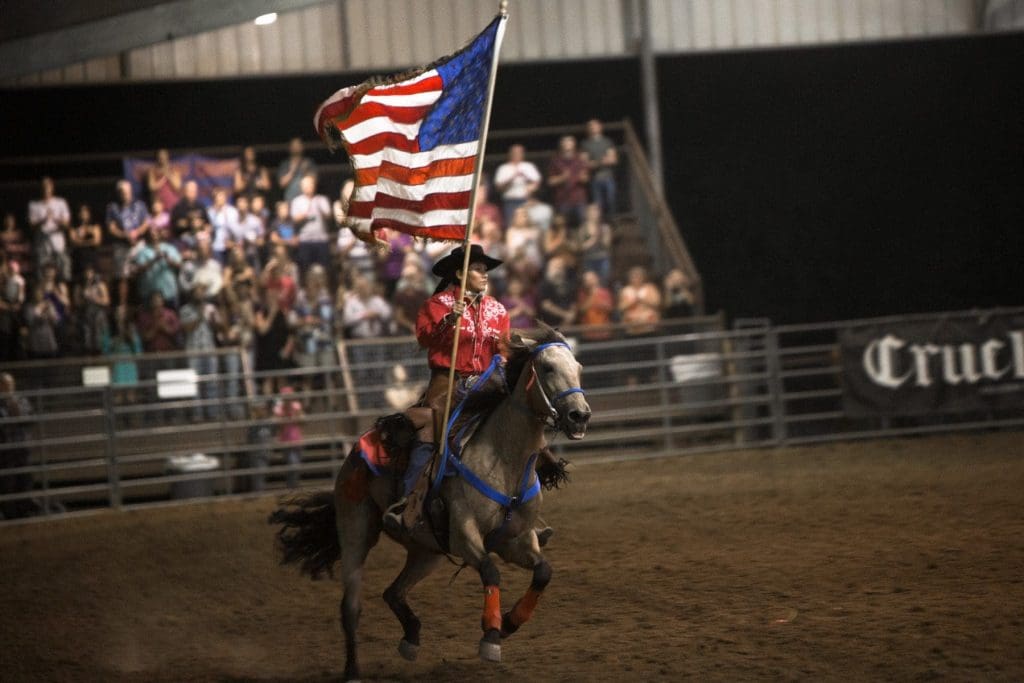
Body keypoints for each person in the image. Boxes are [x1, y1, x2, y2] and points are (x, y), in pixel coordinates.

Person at [382, 244, 508, 534]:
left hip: (487, 383)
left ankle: (524, 507)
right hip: (446, 384)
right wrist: (451, 320)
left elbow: (502, 348)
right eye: (478, 269)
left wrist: (506, 359)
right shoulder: (436, 305)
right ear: (460, 273)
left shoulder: (497, 309)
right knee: (431, 432)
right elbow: (425, 339)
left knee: (519, 421)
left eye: (485, 269)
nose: (484, 274)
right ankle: (409, 501)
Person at [178, 283, 222, 421]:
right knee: (194, 384)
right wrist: (200, 315)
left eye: (202, 291)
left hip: (209, 349)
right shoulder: (185, 310)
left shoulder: (211, 308)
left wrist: (215, 321)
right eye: (197, 291)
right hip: (193, 351)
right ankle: (197, 414)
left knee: (211, 382)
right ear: (192, 294)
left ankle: (212, 413)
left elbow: (219, 328)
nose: (200, 294)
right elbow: (187, 328)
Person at [1, 373, 40, 519]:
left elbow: (30, 419)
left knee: (25, 479)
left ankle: (24, 511)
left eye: (10, 385)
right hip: (5, 451)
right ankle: (10, 514)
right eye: (5, 385)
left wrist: (16, 411)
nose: (8, 388)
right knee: (7, 483)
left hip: (22, 447)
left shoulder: (21, 400)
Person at [27, 176, 72, 281]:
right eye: (43, 186)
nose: (46, 188)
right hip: (42, 246)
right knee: (43, 276)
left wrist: (55, 218)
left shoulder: (61, 202)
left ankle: (60, 296)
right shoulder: (34, 205)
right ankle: (46, 297)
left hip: (58, 245)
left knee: (62, 276)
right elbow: (32, 225)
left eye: (48, 185)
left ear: (52, 187)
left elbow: (67, 224)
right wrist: (44, 219)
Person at [290, 173, 332, 277]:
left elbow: (329, 216)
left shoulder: (322, 199)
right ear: (302, 187)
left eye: (311, 184)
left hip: (321, 239)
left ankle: (324, 290)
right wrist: (306, 213)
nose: (309, 187)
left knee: (324, 269)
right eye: (306, 185)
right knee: (305, 269)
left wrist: (318, 208)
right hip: (305, 240)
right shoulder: (297, 201)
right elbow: (294, 219)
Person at [493, 143, 542, 226]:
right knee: (511, 224)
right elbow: (498, 187)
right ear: (510, 154)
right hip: (510, 201)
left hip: (526, 201)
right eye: (515, 152)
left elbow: (537, 182)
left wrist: (527, 180)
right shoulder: (504, 168)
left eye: (519, 152)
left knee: (530, 224)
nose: (517, 154)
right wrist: (512, 178)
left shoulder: (528, 166)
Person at [546, 135, 589, 225]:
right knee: (563, 225)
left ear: (574, 144)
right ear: (561, 144)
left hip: (578, 198)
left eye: (569, 142)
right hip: (562, 199)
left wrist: (583, 178)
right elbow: (550, 181)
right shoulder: (555, 161)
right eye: (565, 142)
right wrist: (562, 177)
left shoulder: (580, 160)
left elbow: (586, 178)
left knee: (583, 223)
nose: (567, 144)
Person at [579, 119, 618, 217]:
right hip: (595, 178)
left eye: (595, 125)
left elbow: (613, 159)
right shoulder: (585, 144)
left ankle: (612, 221)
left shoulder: (607, 141)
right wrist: (601, 162)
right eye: (591, 126)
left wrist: (595, 163)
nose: (593, 128)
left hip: (608, 176)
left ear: (600, 127)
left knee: (611, 200)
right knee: (598, 204)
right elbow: (584, 163)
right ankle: (600, 224)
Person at [274, 386, 304, 488]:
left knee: (296, 465)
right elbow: (279, 425)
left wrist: (296, 415)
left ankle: (293, 486)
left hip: (297, 439)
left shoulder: (296, 406)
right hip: (285, 441)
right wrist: (285, 415)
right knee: (292, 464)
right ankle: (291, 486)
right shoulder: (279, 409)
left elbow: (302, 421)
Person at [578, 203, 612, 285]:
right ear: (587, 213)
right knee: (590, 282)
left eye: (597, 210)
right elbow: (581, 247)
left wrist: (600, 234)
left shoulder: (605, 228)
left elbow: (607, 245)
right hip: (589, 259)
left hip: (602, 258)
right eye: (592, 210)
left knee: (603, 281)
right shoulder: (583, 229)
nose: (595, 213)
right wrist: (593, 239)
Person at [68, 205, 103, 283]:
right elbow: (73, 242)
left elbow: (97, 241)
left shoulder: (95, 225)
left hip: (92, 255)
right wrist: (89, 241)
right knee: (78, 280)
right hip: (78, 257)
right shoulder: (74, 226)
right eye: (81, 212)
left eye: (85, 212)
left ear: (89, 214)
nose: (83, 214)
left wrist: (81, 241)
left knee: (95, 279)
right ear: (78, 214)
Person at [576, 270, 614, 341]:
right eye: (586, 280)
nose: (589, 282)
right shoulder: (582, 294)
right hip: (588, 332)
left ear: (597, 279)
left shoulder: (605, 292)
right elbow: (582, 310)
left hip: (604, 331)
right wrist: (592, 295)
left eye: (591, 279)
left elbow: (610, 309)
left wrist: (601, 305)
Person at [276, 137, 317, 203]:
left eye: (298, 145)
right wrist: (292, 170)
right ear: (290, 148)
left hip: (307, 200)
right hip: (290, 199)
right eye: (294, 145)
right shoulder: (285, 164)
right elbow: (282, 184)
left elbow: (314, 180)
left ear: (302, 147)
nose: (296, 147)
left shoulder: (308, 162)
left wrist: (305, 170)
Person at [208, 186, 241, 265]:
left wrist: (226, 216)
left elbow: (237, 231)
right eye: (217, 196)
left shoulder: (232, 211)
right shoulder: (210, 212)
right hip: (215, 246)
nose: (220, 199)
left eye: (222, 196)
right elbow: (209, 229)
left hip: (229, 246)